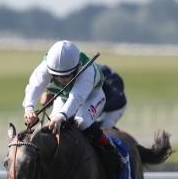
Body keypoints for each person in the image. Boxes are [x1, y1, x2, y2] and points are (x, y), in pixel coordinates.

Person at [23, 40, 127, 168]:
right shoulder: (45, 67)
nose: (62, 80)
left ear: (76, 68)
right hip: (64, 97)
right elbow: (34, 87)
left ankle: (112, 150)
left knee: (82, 122)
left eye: (67, 75)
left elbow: (76, 98)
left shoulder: (87, 71)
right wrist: (29, 109)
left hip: (91, 97)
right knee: (51, 126)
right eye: (57, 75)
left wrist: (61, 116)